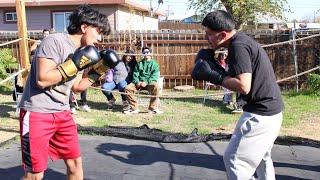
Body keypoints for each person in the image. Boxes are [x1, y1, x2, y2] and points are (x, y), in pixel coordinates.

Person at [18, 5, 119, 180]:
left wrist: (100, 70)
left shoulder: (82, 52)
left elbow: (77, 86)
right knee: (35, 174)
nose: (101, 38)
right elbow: (42, 79)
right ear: (84, 27)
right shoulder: (54, 41)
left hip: (63, 113)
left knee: (75, 164)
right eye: (99, 31)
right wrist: (75, 64)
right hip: (37, 113)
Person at [192, 10, 284, 179]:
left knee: (234, 160)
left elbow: (243, 86)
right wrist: (220, 72)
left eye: (210, 34)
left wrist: (215, 76)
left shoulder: (238, 46)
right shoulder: (241, 41)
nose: (206, 37)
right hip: (271, 112)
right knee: (262, 158)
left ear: (223, 34)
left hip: (261, 115)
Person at [124, 46, 163, 114]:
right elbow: (135, 74)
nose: (146, 53)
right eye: (144, 52)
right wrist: (137, 82)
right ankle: (134, 108)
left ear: (150, 53)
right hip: (138, 83)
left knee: (156, 87)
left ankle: (152, 108)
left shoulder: (155, 64)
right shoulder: (139, 64)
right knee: (127, 88)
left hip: (149, 83)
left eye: (147, 52)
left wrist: (146, 82)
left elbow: (154, 76)